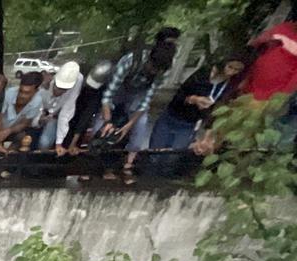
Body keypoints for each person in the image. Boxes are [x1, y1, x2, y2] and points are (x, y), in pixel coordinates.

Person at [96, 28, 180, 183]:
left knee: (139, 128)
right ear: (149, 59)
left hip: (139, 93)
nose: (152, 72)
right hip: (120, 89)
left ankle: (127, 165)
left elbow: (146, 100)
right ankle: (95, 164)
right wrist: (108, 122)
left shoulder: (164, 69)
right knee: (99, 129)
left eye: (156, 71)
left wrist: (129, 124)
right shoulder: (130, 60)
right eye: (152, 68)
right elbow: (108, 95)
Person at [151, 54, 246, 151]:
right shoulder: (204, 74)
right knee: (155, 151)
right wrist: (194, 99)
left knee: (174, 155)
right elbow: (180, 95)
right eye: (230, 67)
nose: (231, 72)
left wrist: (207, 136)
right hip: (171, 116)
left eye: (236, 70)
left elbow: (216, 111)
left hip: (190, 124)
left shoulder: (229, 85)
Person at [240, 11, 297, 102]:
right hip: (254, 74)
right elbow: (257, 42)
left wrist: (283, 95)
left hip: (274, 89)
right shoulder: (285, 27)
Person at [36, 61, 83, 153]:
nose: (59, 92)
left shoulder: (78, 80)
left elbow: (66, 112)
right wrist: (40, 117)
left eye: (63, 90)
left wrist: (59, 143)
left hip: (56, 116)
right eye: (57, 88)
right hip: (38, 114)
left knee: (44, 143)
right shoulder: (46, 79)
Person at [0, 72, 45, 153]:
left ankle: (9, 156)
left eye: (27, 93)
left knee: (23, 137)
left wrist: (8, 131)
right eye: (21, 91)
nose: (22, 95)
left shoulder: (37, 101)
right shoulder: (9, 93)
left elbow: (24, 123)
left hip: (12, 130)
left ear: (36, 91)